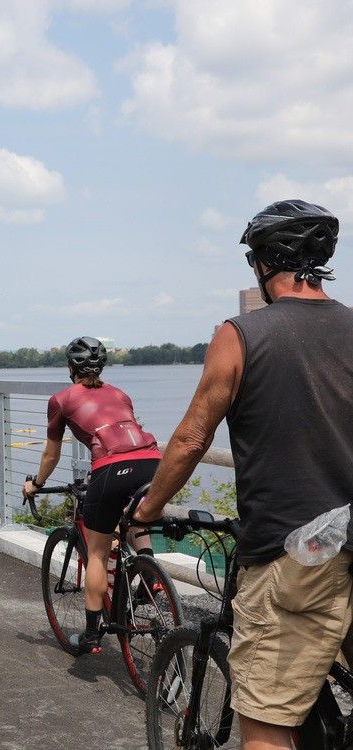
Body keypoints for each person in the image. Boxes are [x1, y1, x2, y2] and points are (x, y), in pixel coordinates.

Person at [133, 199, 353, 749]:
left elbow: (191, 438)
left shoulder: (241, 334)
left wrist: (148, 510)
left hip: (296, 552)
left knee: (266, 726)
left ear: (262, 264)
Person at [23, 336, 161, 653]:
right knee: (135, 517)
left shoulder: (61, 400)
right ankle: (150, 574)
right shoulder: (121, 394)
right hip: (153, 464)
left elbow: (51, 455)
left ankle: (91, 634)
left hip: (112, 468)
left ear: (70, 368)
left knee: (97, 553)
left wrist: (36, 484)